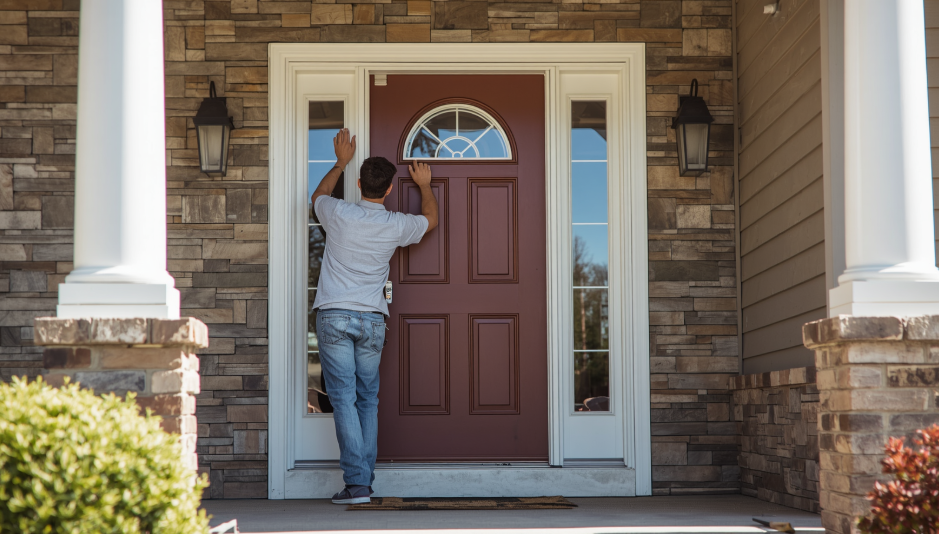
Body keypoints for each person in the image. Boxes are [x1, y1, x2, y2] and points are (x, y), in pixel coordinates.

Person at [311, 128, 438, 505]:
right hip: (372, 322)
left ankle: (357, 485)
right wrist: (425, 185)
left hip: (335, 316)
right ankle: (361, 483)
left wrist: (340, 163)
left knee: (344, 399)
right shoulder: (395, 223)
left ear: (359, 184)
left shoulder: (338, 213)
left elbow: (317, 196)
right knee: (367, 400)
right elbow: (431, 219)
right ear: (388, 190)